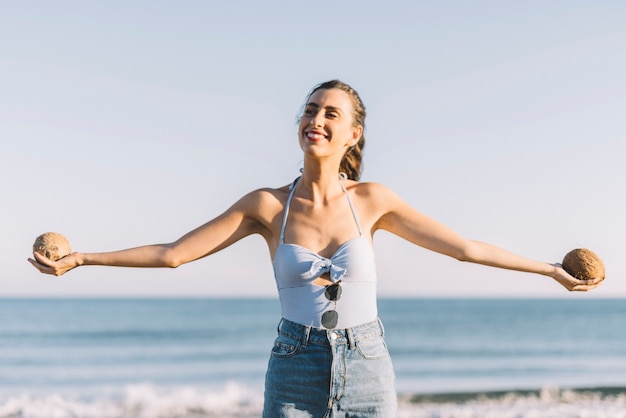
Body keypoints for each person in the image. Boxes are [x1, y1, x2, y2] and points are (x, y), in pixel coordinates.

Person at [29, 79, 602, 417]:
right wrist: (82, 258)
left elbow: (464, 249)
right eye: (310, 109)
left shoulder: (374, 200)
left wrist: (550, 270)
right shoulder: (266, 206)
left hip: (369, 364)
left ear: (353, 134)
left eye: (332, 113)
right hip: (293, 364)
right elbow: (174, 253)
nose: (316, 119)